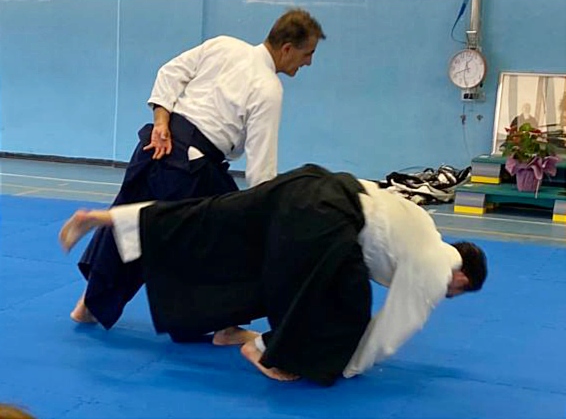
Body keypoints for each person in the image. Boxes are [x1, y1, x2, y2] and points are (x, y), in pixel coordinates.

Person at [59, 164, 488, 387]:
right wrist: (348, 366)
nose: (448, 295)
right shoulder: (438, 268)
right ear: (462, 279)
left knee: (208, 218)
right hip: (327, 215)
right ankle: (264, 350)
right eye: (456, 292)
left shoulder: (425, 227)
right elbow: (395, 326)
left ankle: (106, 218)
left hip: (312, 184)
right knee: (345, 307)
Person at [72, 9, 326, 334]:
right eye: (307, 54)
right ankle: (225, 327)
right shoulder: (268, 88)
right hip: (190, 170)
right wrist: (268, 210)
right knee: (228, 237)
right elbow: (261, 165)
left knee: (134, 222)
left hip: (154, 148)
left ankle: (88, 306)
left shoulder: (224, 45)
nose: (308, 63)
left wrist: (161, 122)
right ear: (287, 48)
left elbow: (169, 74)